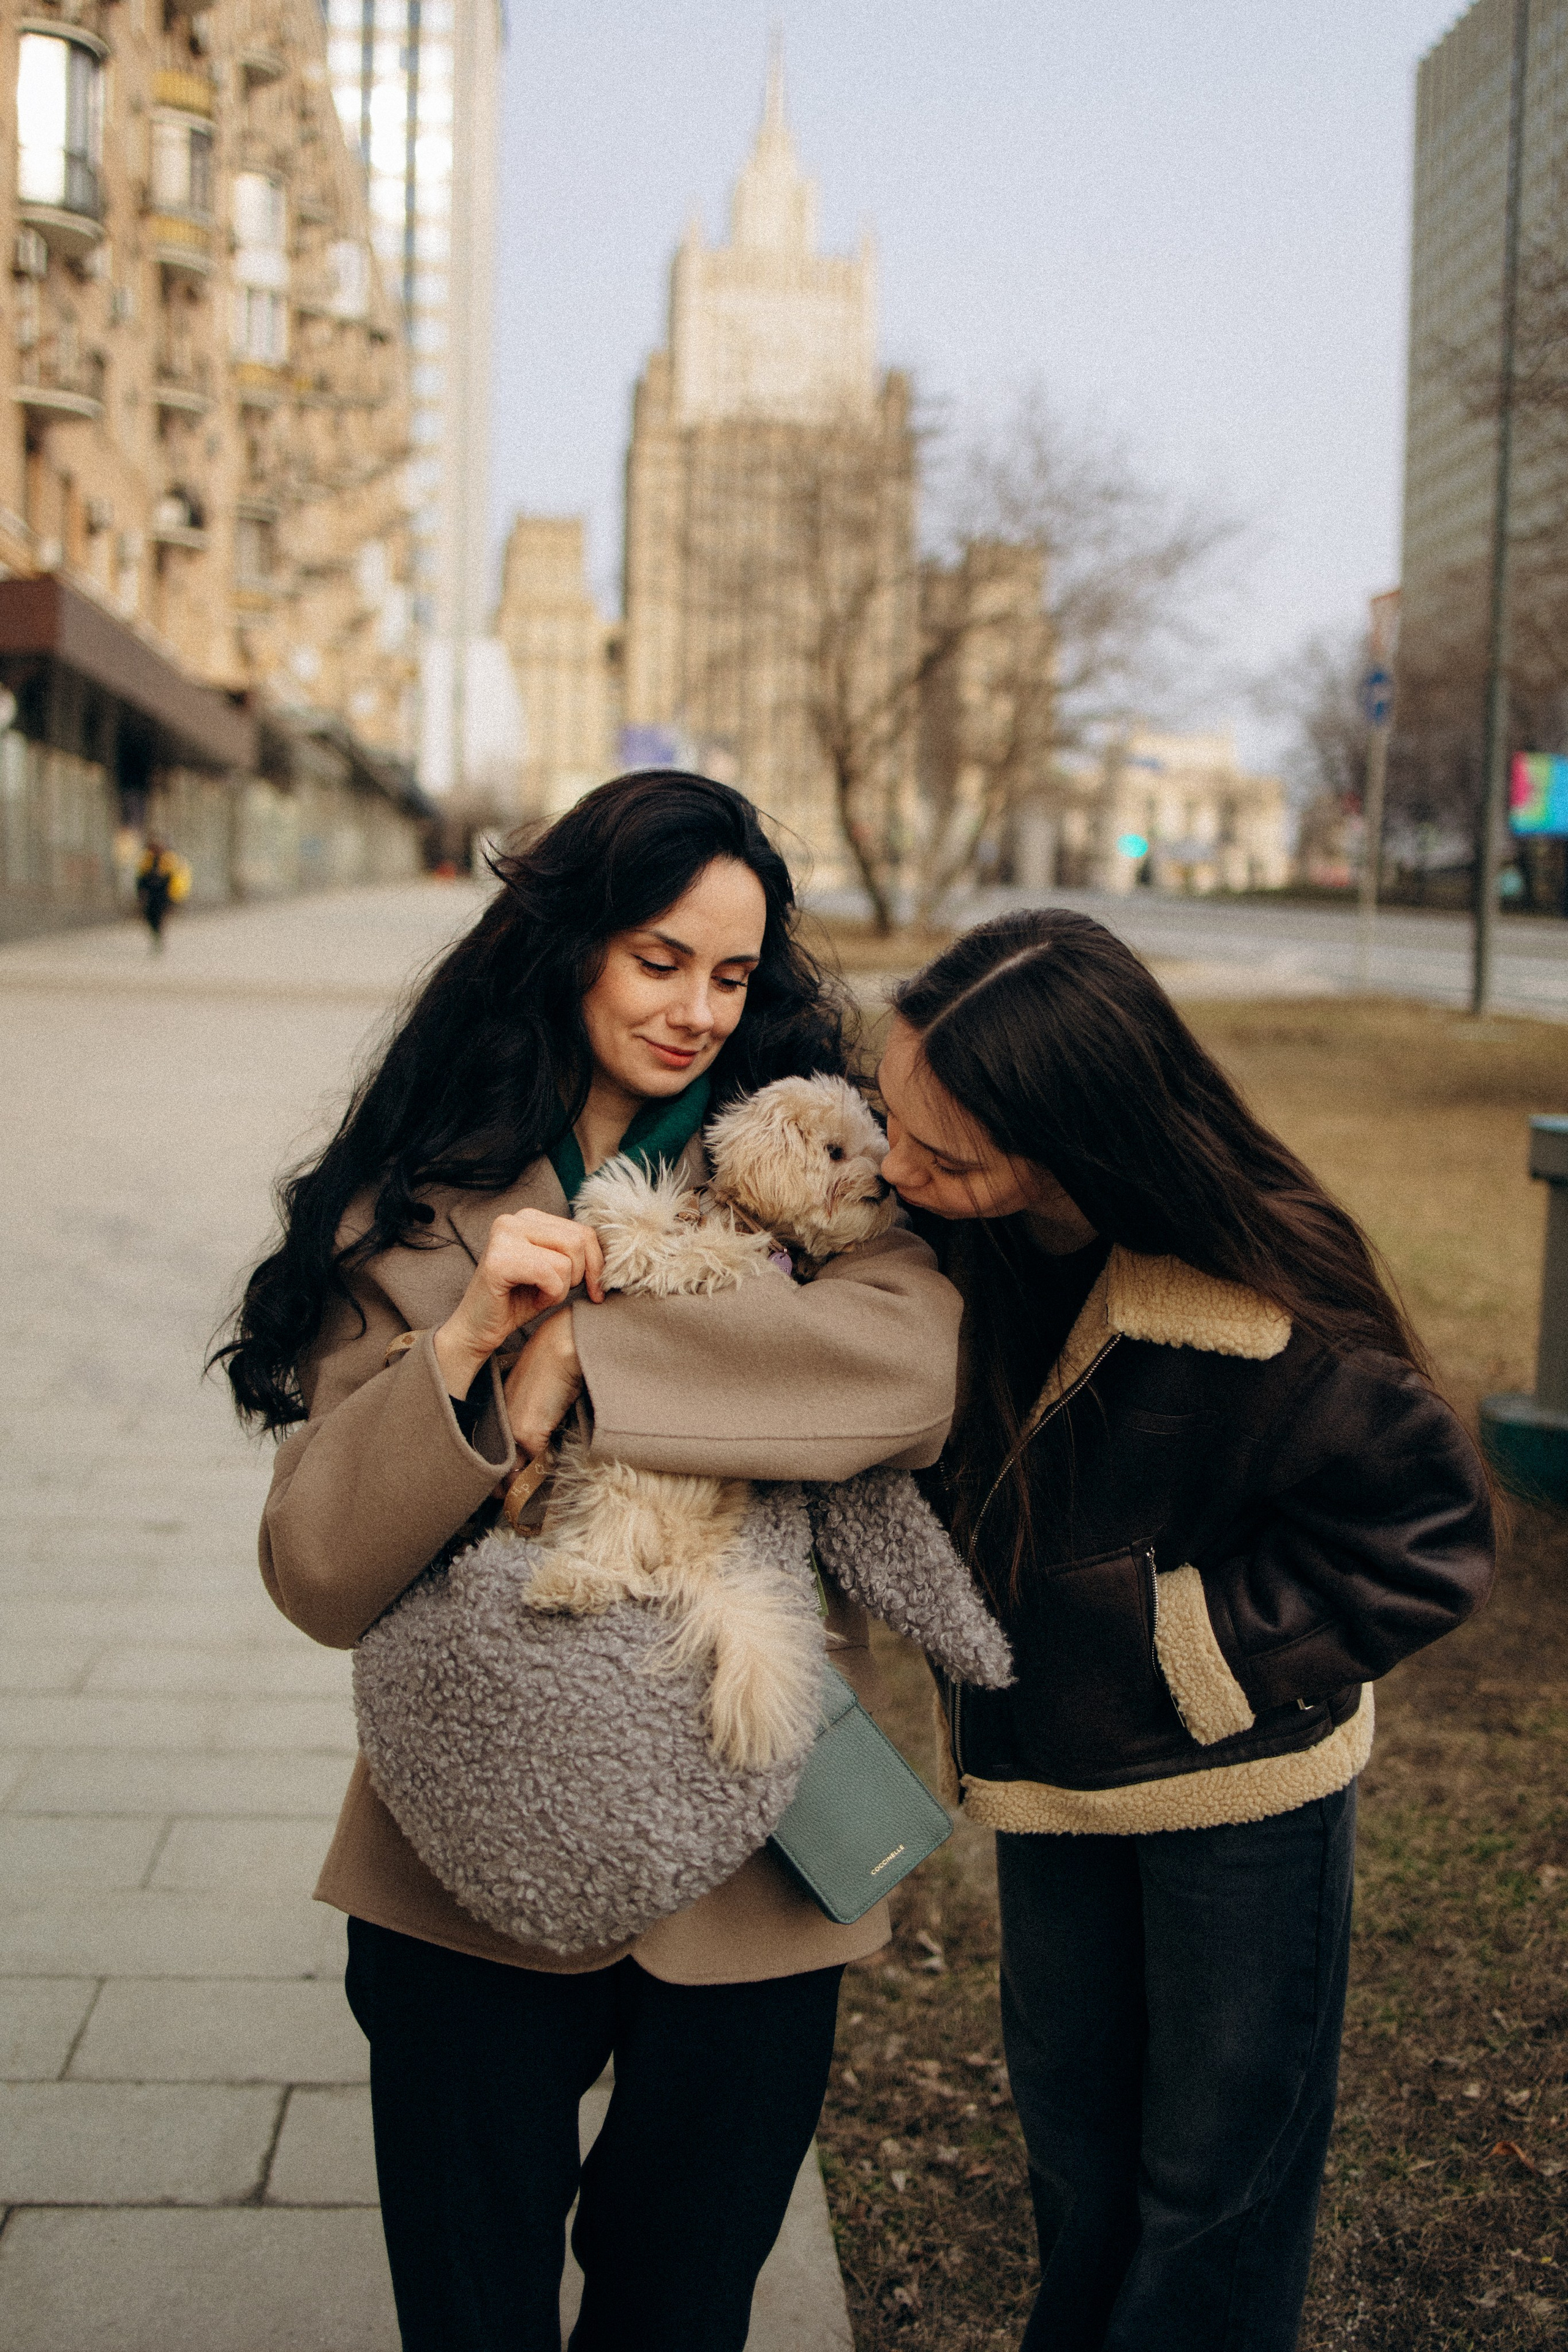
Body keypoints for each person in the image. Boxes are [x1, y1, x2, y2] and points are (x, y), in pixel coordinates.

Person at [217, 771, 961, 2352]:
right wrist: (479, 1340)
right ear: (568, 946)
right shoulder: (419, 1191)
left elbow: (911, 1370)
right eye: (659, 958)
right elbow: (317, 1566)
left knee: (679, 2313)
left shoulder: (806, 1165)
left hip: (755, 1862)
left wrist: (599, 1365)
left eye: (735, 974)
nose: (699, 1010)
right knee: (470, 2314)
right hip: (459, 1854)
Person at [875, 909, 1494, 2352]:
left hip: (1235, 1796)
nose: (897, 1174)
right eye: (888, 1122)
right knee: (1074, 2146)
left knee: (1215, 2172)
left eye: (942, 1155)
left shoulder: (1263, 1301)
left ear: (1072, 1139)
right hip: (1049, 1781)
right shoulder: (956, 1244)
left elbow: (1425, 1533)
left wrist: (1189, 1651)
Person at [134, 838, 189, 948]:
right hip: (151, 894)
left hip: (164, 894)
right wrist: (140, 893)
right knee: (149, 915)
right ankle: (155, 933)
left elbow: (177, 879)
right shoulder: (147, 860)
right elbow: (140, 878)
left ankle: (159, 935)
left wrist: (175, 896)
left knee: (160, 916)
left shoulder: (169, 859)